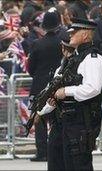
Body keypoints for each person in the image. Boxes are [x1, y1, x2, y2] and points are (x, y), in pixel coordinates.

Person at [36, 18, 102, 170]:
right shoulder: (71, 60)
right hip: (62, 123)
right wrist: (43, 108)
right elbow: (52, 90)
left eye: (75, 32)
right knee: (57, 164)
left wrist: (66, 91)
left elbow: (92, 88)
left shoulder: (93, 59)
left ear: (86, 35)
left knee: (77, 165)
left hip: (80, 122)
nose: (71, 35)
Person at [28, 10, 62, 162]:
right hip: (58, 84)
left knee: (39, 119)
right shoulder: (62, 43)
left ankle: (42, 152)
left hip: (40, 85)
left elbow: (31, 67)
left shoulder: (37, 44)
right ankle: (57, 150)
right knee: (58, 119)